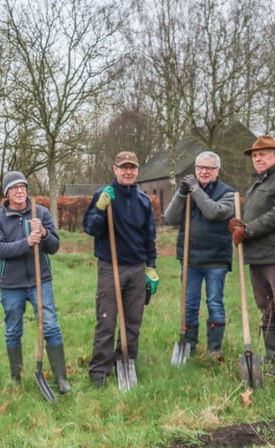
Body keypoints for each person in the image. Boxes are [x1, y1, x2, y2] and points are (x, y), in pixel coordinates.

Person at [0, 171, 71, 393]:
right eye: (14, 188)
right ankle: (16, 378)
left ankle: (61, 378)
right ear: (7, 193)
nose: (20, 191)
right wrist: (26, 242)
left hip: (39, 280)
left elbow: (54, 247)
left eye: (23, 187)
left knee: (51, 326)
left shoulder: (40, 213)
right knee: (13, 330)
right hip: (11, 285)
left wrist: (43, 233)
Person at [229, 135, 275, 376]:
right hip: (257, 255)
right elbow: (257, 215)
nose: (258, 158)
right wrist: (240, 224)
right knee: (266, 306)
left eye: (263, 154)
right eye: (255, 155)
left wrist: (247, 230)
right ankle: (273, 356)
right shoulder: (257, 184)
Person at [82, 152, 158, 386]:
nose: (128, 172)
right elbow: (90, 229)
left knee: (133, 321)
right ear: (115, 169)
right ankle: (99, 371)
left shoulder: (143, 200)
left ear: (137, 171)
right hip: (110, 266)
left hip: (136, 268)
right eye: (123, 168)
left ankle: (125, 361)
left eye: (132, 168)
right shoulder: (104, 195)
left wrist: (151, 267)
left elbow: (149, 237)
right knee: (106, 320)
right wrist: (99, 209)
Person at [163, 151, 236, 360]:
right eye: (199, 168)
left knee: (214, 302)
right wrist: (181, 193)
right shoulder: (187, 192)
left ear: (217, 171)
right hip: (190, 258)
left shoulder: (228, 193)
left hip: (216, 259)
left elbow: (214, 213)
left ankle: (214, 349)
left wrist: (195, 190)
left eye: (209, 168)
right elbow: (169, 218)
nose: (203, 171)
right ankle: (189, 346)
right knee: (190, 303)